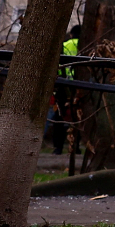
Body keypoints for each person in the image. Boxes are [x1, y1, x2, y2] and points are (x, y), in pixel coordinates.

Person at [50, 25, 82, 156]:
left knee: (60, 117)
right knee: (78, 117)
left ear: (71, 34)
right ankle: (76, 147)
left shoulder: (64, 46)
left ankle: (58, 148)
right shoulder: (87, 46)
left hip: (63, 86)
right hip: (81, 87)